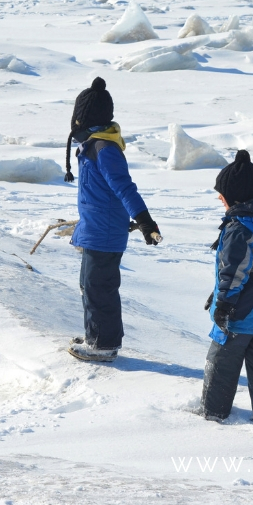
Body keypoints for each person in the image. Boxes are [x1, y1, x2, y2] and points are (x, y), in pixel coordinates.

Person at [63, 77, 161, 363]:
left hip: (104, 234)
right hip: (95, 230)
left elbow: (124, 188)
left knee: (100, 288)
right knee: (90, 285)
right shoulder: (93, 146)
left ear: (82, 119)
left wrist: (144, 221)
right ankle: (95, 336)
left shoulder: (105, 150)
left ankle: (104, 345)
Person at [200, 150, 253, 425]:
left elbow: (234, 271)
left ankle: (213, 414)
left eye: (221, 194)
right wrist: (218, 293)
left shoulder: (239, 228)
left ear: (233, 198)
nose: (218, 198)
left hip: (241, 313)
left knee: (221, 360)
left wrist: (223, 304)